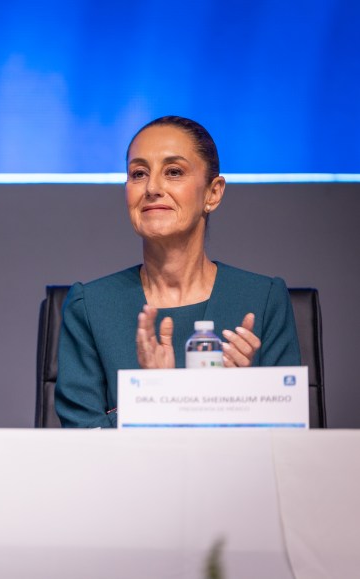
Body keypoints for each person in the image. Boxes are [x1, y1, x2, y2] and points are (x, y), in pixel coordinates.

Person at [55, 116, 301, 428]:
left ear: (212, 193)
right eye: (138, 173)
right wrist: (157, 400)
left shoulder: (263, 300)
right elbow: (82, 446)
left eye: (173, 172)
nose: (152, 188)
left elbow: (289, 448)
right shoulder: (90, 306)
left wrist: (244, 398)